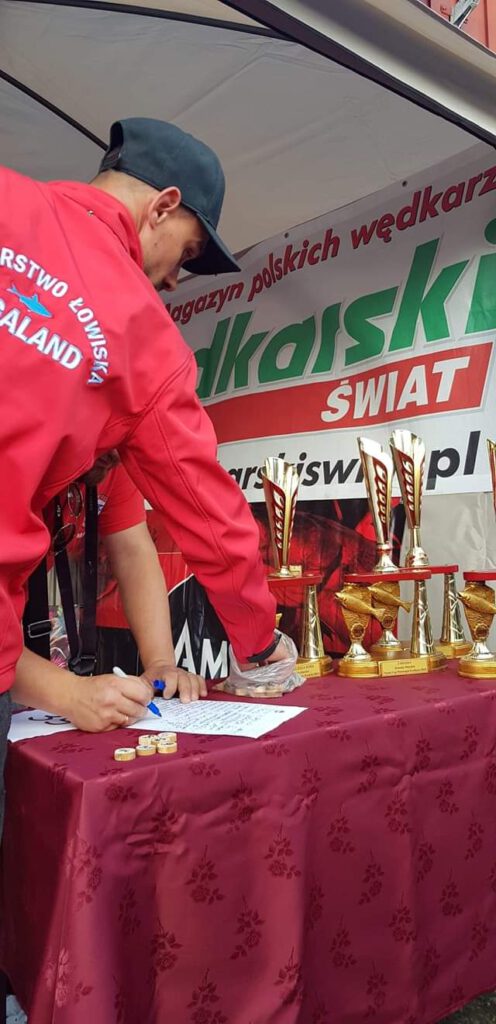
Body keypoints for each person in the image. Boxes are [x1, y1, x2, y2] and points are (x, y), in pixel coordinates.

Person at [0, 117, 290, 836]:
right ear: (162, 205)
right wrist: (258, 644)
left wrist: (158, 658)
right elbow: (208, 509)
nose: (172, 279)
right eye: (185, 253)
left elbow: (133, 538)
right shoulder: (142, 332)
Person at [14, 454, 207, 732]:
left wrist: (161, 663)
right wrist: (71, 694)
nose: (117, 453)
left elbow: (133, 554)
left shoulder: (110, 458)